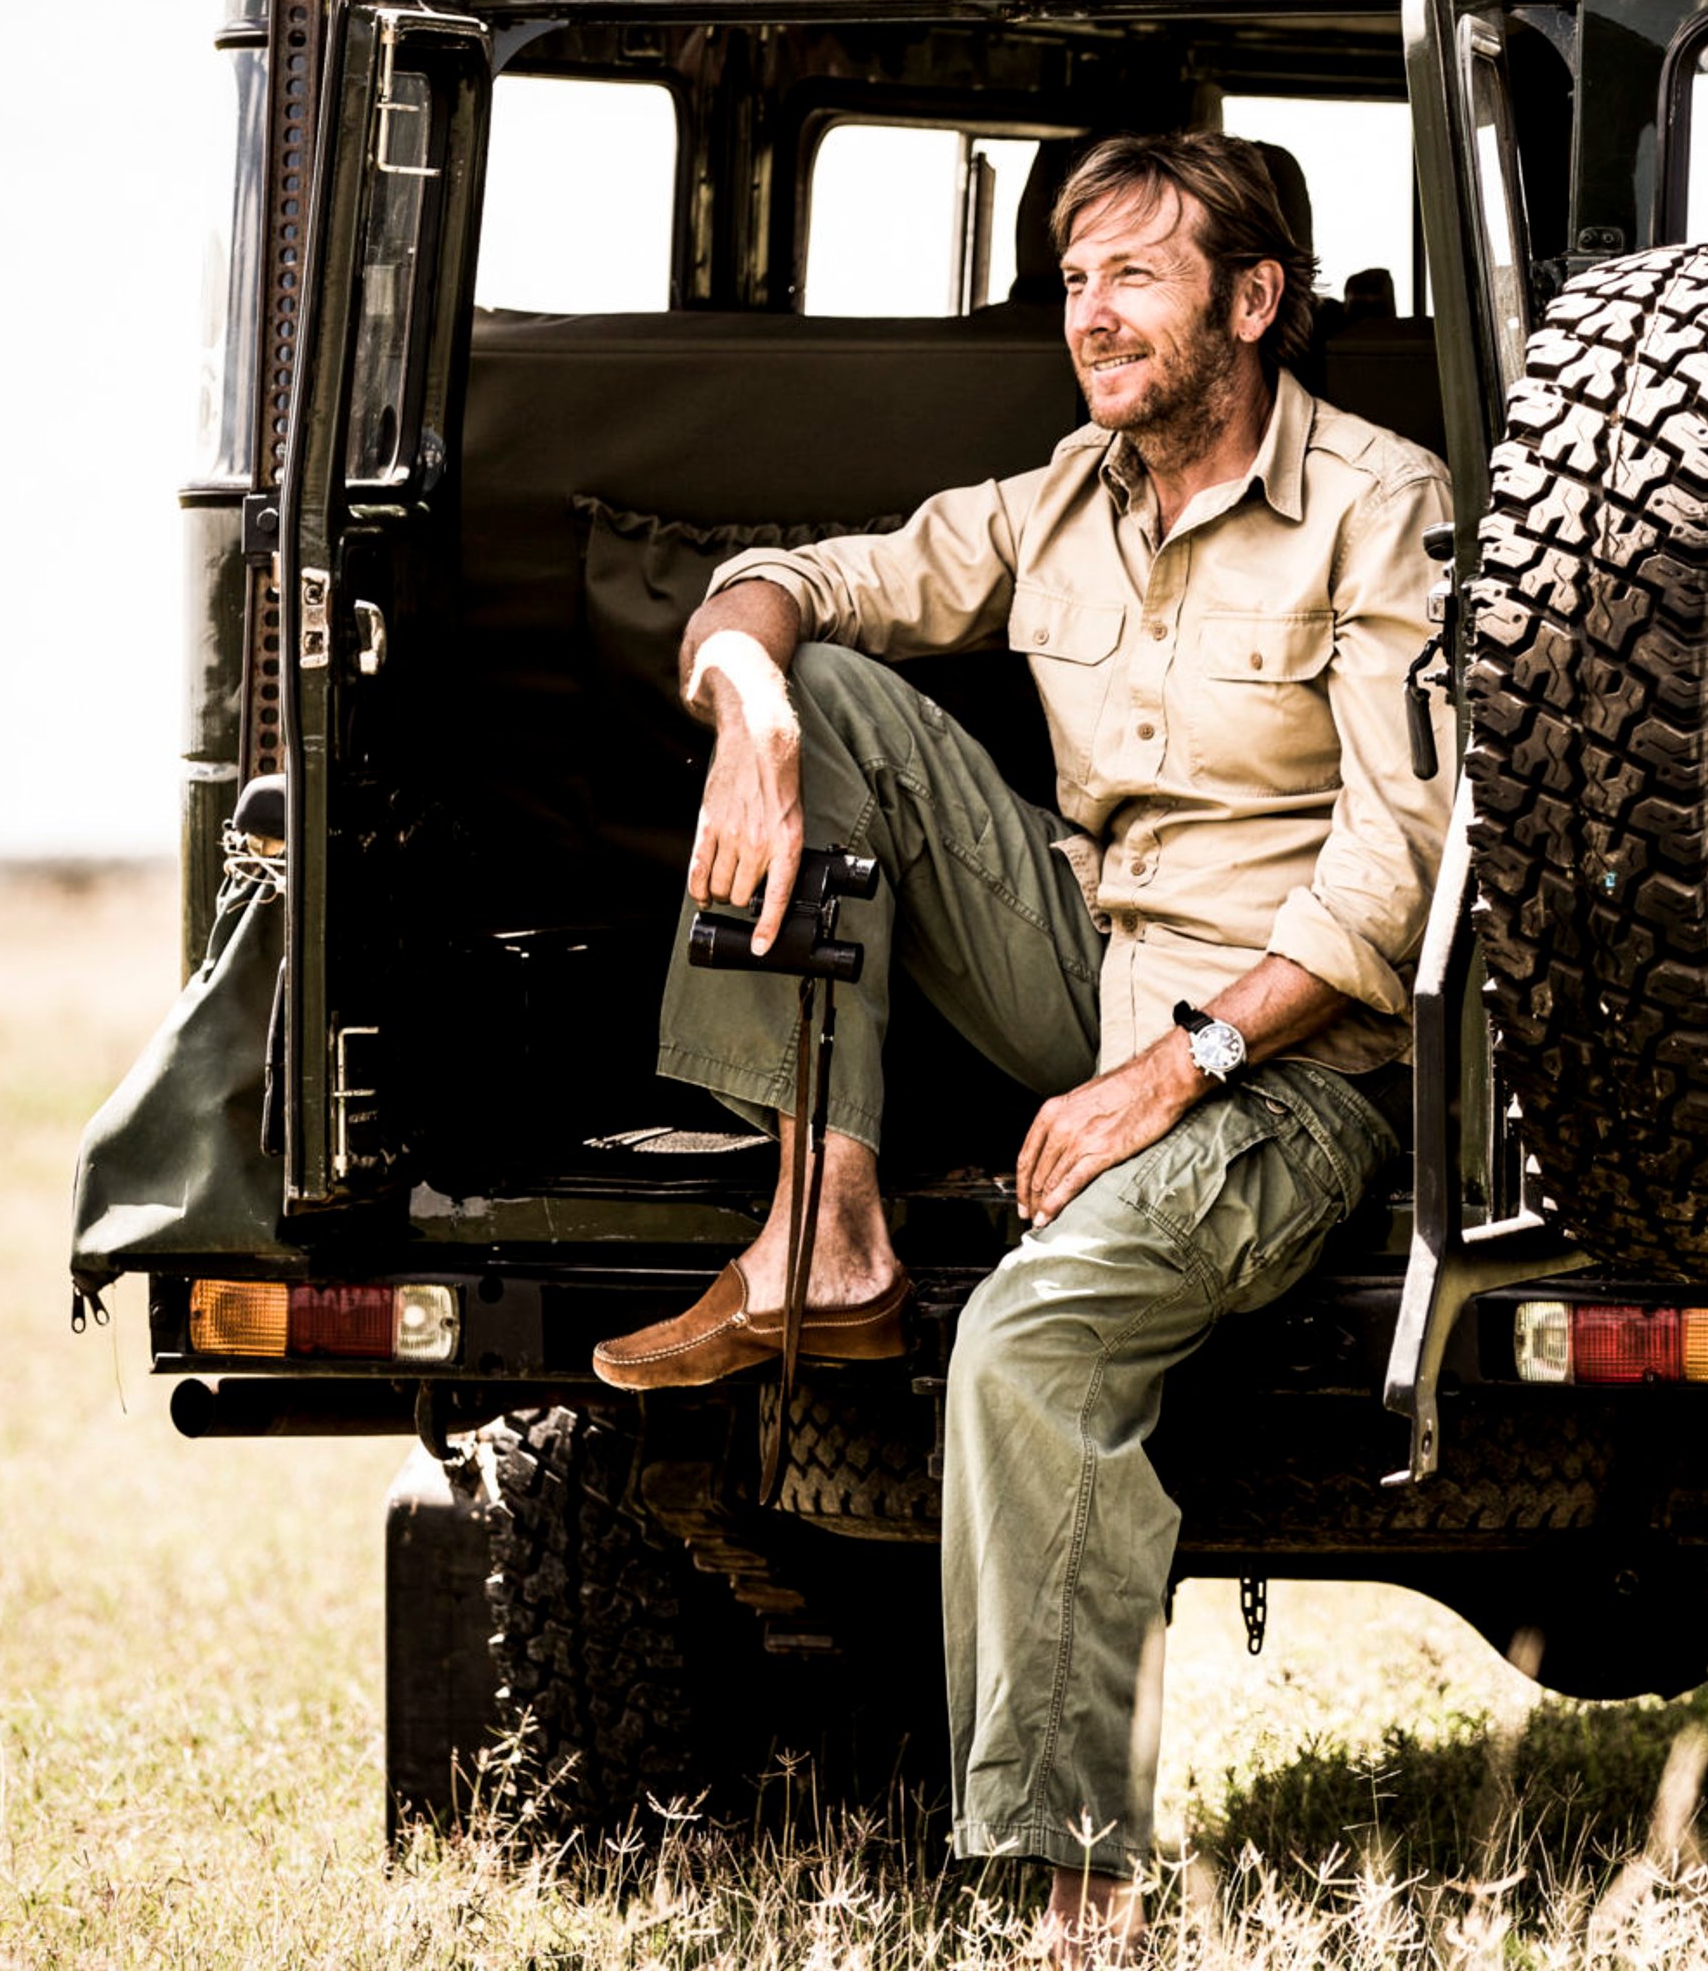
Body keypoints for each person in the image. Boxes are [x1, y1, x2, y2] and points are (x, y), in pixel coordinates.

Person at [588, 131, 1450, 1950]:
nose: (1091, 315)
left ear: (1253, 301)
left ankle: (1077, 1895)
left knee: (1024, 1341)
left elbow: (1394, 879)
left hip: (1292, 1061)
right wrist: (748, 705)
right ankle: (823, 1223)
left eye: (1134, 275)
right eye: (1073, 281)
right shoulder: (1065, 495)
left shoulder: (1381, 504)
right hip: (1089, 967)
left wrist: (1172, 1070)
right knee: (825, 686)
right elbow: (796, 579)